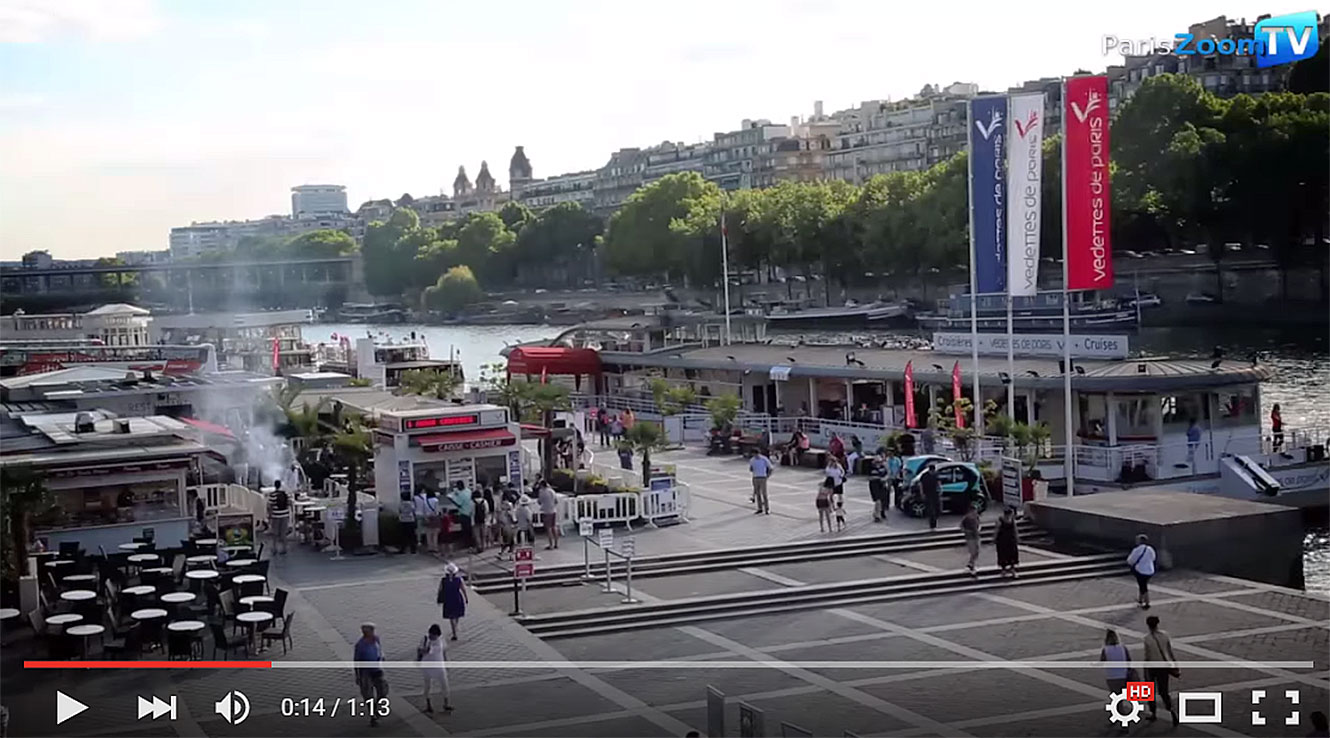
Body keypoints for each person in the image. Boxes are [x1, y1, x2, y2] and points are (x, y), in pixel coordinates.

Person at [1141, 615, 1180, 727]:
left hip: (1152, 667)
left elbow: (1147, 655)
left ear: (1148, 625)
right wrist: (1174, 664)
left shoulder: (1147, 638)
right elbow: (1169, 651)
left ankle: (1153, 713)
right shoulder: (1165, 635)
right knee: (1164, 691)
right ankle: (1172, 711)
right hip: (1164, 666)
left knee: (1150, 690)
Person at [353, 623, 388, 727]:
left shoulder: (376, 639)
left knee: (383, 691)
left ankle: (376, 708)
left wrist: (381, 657)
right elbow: (356, 661)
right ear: (365, 632)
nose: (373, 632)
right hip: (366, 672)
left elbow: (380, 650)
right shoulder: (360, 645)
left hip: (377, 670)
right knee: (368, 695)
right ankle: (373, 716)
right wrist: (358, 676)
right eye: (371, 631)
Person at [1100, 628, 1132, 728]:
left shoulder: (1106, 649)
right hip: (1124, 675)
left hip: (1112, 677)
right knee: (1118, 699)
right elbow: (1129, 660)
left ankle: (1123, 723)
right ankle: (1114, 717)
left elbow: (1102, 661)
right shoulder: (1123, 647)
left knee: (1116, 700)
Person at [418, 623, 453, 714]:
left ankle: (446, 703)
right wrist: (426, 650)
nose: (432, 637)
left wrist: (446, 662)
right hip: (427, 665)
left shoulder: (441, 639)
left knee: (444, 684)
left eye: (434, 636)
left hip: (439, 665)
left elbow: (444, 651)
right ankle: (428, 705)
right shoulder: (425, 639)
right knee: (427, 685)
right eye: (431, 635)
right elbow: (420, 650)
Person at [437, 563, 468, 641]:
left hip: (448, 599)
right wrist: (466, 598)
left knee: (451, 617)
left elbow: (440, 590)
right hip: (457, 598)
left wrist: (439, 599)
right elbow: (463, 589)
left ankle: (454, 631)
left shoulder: (443, 580)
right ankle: (455, 629)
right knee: (457, 615)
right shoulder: (459, 579)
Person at [1127, 534, 1157, 609]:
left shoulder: (1137, 550)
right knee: (1142, 585)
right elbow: (1153, 558)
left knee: (1143, 586)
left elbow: (1130, 560)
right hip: (1150, 570)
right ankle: (1140, 599)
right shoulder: (1150, 549)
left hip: (1140, 570)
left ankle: (1147, 602)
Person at [449, 482, 475, 553]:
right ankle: (472, 544)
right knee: (470, 530)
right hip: (470, 512)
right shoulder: (468, 491)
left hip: (464, 513)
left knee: (465, 530)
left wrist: (451, 499)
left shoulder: (461, 494)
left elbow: (459, 504)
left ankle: (467, 544)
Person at [267, 480, 292, 555]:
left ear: (275, 486)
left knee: (275, 532)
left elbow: (270, 506)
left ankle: (274, 548)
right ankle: (284, 548)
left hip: (276, 515)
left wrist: (269, 516)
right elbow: (289, 503)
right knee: (283, 533)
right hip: (285, 515)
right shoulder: (286, 494)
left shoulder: (272, 494)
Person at [995, 507, 1020, 578]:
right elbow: (997, 529)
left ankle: (1011, 569)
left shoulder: (1012, 520)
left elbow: (1015, 529)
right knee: (1003, 554)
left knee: (1012, 553)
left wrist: (1017, 537)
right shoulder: (1000, 520)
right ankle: (1004, 569)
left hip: (1010, 540)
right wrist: (994, 538)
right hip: (1002, 540)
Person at [749, 449, 773, 515]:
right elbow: (751, 469)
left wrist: (767, 476)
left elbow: (770, 468)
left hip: (762, 477)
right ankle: (760, 508)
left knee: (764, 494)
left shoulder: (764, 459)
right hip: (755, 477)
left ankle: (767, 509)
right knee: (758, 494)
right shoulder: (752, 460)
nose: (754, 456)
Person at [537, 479, 559, 549]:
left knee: (548, 528)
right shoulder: (552, 491)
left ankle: (551, 544)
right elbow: (556, 501)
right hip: (553, 510)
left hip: (546, 511)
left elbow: (539, 501)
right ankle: (556, 544)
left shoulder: (541, 492)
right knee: (554, 527)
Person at [960, 505, 981, 576]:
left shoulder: (976, 517)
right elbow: (961, 527)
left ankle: (970, 564)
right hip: (970, 537)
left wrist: (978, 529)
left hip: (977, 536)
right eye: (974, 510)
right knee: (973, 552)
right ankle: (972, 565)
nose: (975, 512)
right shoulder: (966, 518)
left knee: (977, 551)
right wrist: (967, 531)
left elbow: (979, 524)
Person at [421, 490, 443, 555]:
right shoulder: (436, 500)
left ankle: (429, 547)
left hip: (427, 517)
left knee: (428, 534)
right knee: (435, 534)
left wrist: (425, 517)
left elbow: (423, 510)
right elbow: (437, 510)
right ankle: (435, 548)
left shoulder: (425, 501)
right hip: (435, 517)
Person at [920, 465, 941, 530]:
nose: (933, 472)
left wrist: (940, 489)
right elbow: (921, 484)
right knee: (931, 510)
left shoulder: (936, 475)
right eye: (932, 471)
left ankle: (935, 520)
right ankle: (932, 525)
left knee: (938, 509)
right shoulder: (924, 476)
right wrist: (922, 493)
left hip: (935, 493)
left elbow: (938, 482)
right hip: (928, 494)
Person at [470, 486, 488, 553]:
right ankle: (483, 547)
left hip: (475, 520)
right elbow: (486, 511)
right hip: (483, 520)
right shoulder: (484, 501)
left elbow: (472, 512)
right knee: (483, 534)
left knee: (477, 535)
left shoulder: (472, 502)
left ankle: (479, 546)